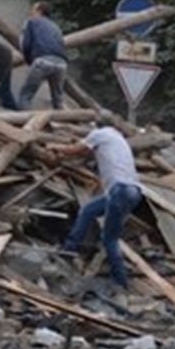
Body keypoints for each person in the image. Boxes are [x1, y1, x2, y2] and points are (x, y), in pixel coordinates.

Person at [52, 116, 144, 290]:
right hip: (133, 192)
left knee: (110, 238)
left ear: (98, 126)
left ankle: (120, 281)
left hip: (120, 191)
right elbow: (94, 157)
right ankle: (69, 249)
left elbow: (76, 150)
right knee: (88, 210)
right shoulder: (118, 139)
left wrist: (56, 148)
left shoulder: (100, 134)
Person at [17, 1, 70, 110]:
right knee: (58, 100)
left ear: (39, 11)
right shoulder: (56, 27)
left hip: (43, 61)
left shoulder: (31, 22)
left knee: (26, 95)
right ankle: (64, 122)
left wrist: (29, 61)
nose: (30, 11)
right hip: (62, 65)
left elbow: (25, 45)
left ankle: (23, 122)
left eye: (33, 9)